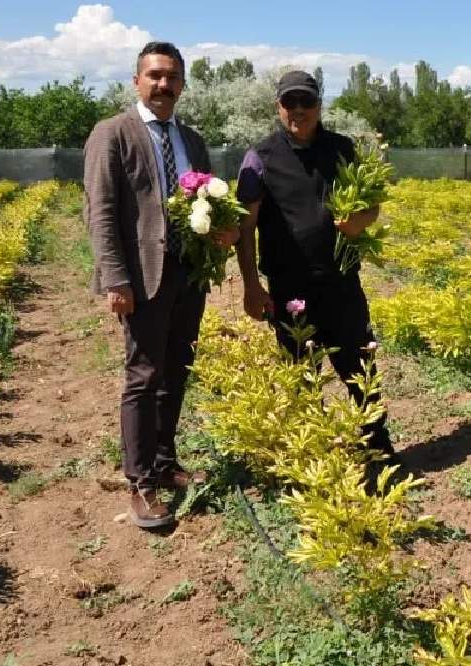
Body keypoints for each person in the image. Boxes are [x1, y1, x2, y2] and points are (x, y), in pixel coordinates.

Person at [84, 41, 239, 529]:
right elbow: (101, 213)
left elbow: (206, 200)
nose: (163, 84)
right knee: (143, 375)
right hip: (143, 276)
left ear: (182, 84)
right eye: (153, 75)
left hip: (188, 273)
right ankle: (141, 481)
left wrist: (220, 232)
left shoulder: (190, 139)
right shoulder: (113, 134)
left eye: (171, 77)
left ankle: (166, 463)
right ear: (136, 81)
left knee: (177, 368)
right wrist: (115, 279)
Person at [234, 70, 395, 472]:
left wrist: (363, 221)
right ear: (278, 107)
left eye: (307, 102)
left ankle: (377, 446)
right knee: (302, 375)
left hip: (342, 282)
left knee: (359, 367)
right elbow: (245, 227)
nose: (299, 110)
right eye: (290, 103)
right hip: (290, 288)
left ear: (320, 105)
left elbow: (371, 204)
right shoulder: (260, 158)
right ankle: (314, 455)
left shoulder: (343, 149)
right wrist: (252, 286)